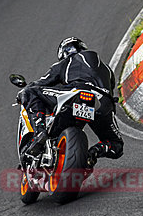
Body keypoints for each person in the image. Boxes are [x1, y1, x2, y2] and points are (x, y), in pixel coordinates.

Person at [18, 37, 123, 167]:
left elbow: (41, 83)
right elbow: (111, 90)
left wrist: (23, 92)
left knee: (30, 91)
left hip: (77, 93)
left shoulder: (65, 62)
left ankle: (40, 132)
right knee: (116, 144)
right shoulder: (107, 69)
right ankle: (92, 154)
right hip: (103, 103)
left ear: (63, 54)